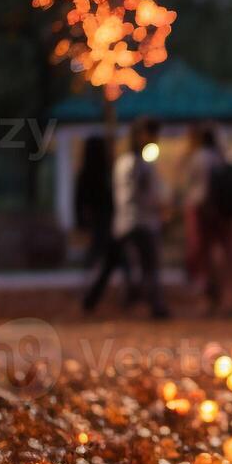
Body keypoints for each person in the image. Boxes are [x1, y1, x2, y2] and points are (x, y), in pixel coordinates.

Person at [84, 118, 169, 318]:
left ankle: (91, 300)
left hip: (125, 222)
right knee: (149, 265)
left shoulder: (126, 163)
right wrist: (158, 208)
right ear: (140, 136)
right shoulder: (136, 165)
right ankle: (156, 306)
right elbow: (140, 195)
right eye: (151, 135)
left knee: (112, 263)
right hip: (138, 222)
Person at [181, 126, 232, 315]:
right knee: (226, 253)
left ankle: (207, 299)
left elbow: (189, 183)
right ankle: (229, 297)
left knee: (204, 255)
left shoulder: (198, 157)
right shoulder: (225, 156)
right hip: (225, 210)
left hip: (202, 210)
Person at [75, 135, 129, 289]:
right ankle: (91, 281)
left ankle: (126, 282)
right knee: (106, 249)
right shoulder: (97, 173)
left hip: (107, 216)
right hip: (102, 216)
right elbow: (80, 199)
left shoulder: (107, 171)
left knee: (109, 250)